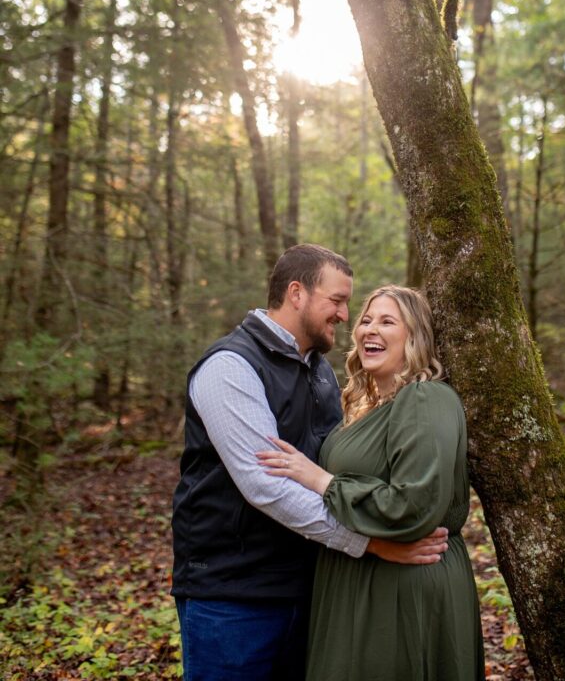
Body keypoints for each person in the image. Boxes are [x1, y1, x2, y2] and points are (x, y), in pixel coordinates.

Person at [171, 246, 449, 681]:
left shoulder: (319, 371)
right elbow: (267, 486)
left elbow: (343, 468)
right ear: (297, 293)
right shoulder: (230, 367)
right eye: (336, 301)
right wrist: (371, 544)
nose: (344, 314)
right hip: (233, 597)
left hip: (311, 587)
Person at [258, 285, 485, 681]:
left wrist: (322, 481)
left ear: (414, 336)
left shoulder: (424, 399)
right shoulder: (366, 406)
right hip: (359, 575)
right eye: (366, 320)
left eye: (387, 321)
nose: (369, 330)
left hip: (402, 586)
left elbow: (412, 506)